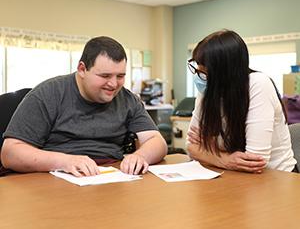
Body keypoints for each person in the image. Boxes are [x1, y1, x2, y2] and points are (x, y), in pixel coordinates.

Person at [1, 36, 168, 176]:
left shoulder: (127, 99)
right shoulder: (48, 94)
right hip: (54, 175)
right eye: (105, 75)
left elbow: (157, 142)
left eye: (120, 76)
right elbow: (10, 153)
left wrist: (140, 156)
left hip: (109, 177)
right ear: (82, 69)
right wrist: (65, 161)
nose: (113, 84)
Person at [186, 29, 297, 173]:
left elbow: (254, 161)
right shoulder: (208, 90)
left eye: (205, 73)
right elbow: (191, 147)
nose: (200, 78)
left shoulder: (258, 84)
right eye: (198, 71)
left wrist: (210, 150)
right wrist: (224, 160)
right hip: (231, 176)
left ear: (225, 73)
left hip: (277, 179)